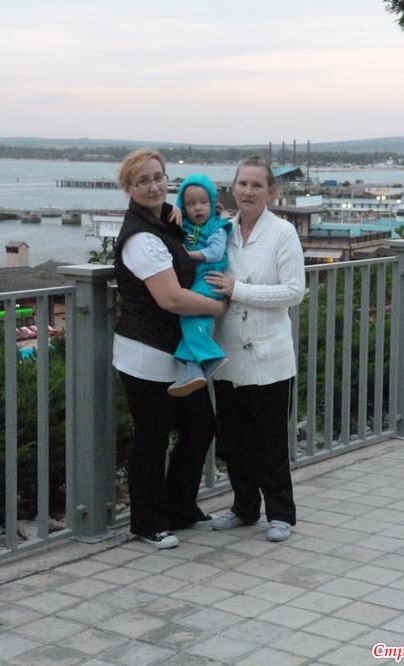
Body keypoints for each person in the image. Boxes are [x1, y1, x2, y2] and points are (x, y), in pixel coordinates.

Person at [112, 148, 227, 549]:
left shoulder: (162, 220)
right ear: (128, 188)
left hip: (175, 353)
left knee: (200, 426)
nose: (153, 186)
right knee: (152, 436)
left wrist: (172, 213)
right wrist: (216, 307)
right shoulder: (141, 239)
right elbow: (171, 298)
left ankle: (180, 508)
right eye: (142, 181)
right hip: (144, 352)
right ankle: (147, 521)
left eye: (158, 177)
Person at [205, 155, 305, 543]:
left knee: (271, 441)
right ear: (233, 188)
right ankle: (243, 508)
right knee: (234, 441)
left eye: (257, 185)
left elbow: (293, 292)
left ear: (271, 191)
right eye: (242, 184)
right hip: (229, 353)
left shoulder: (283, 233)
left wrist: (239, 289)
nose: (248, 192)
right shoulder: (222, 232)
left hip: (270, 357)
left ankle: (280, 513)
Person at [168, 174, 232, 398]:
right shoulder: (185, 226)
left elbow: (215, 253)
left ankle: (211, 356)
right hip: (197, 278)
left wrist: (185, 255)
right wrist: (173, 210)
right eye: (190, 204)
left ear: (212, 203)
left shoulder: (217, 226)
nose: (198, 208)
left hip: (211, 277)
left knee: (189, 314)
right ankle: (193, 367)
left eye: (204, 202)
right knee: (197, 320)